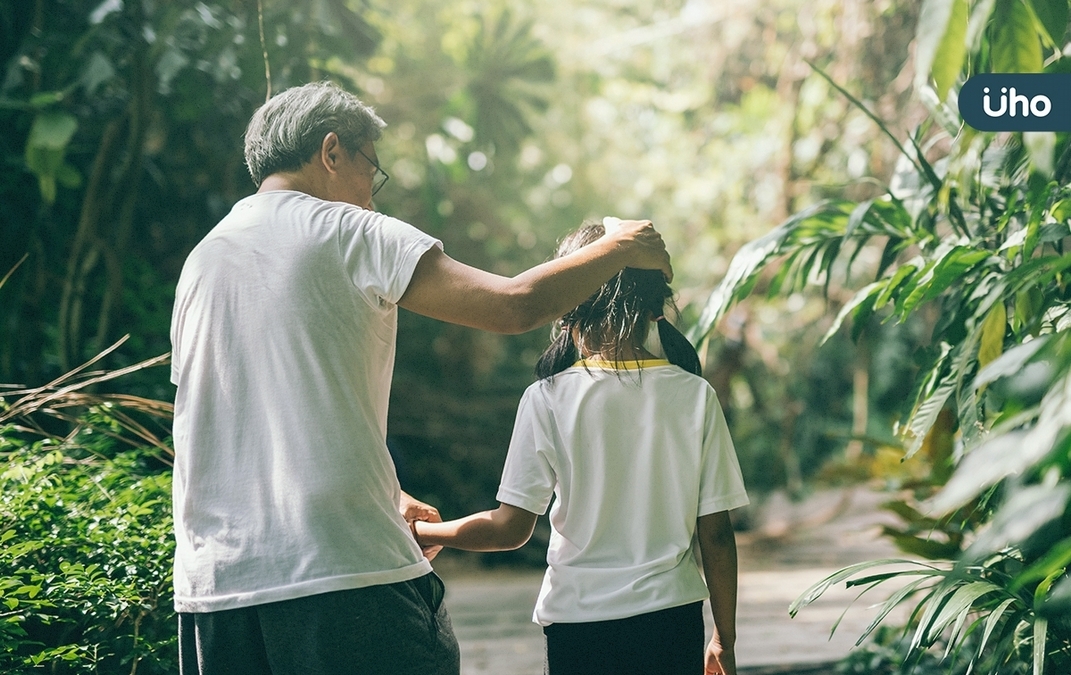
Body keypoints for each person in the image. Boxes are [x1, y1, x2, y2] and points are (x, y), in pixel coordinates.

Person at [168, 80, 672, 675]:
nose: (372, 199)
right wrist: (618, 247)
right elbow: (513, 306)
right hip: (345, 574)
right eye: (370, 172)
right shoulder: (350, 231)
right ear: (332, 153)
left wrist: (381, 490)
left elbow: (253, 412)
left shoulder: (201, 261)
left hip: (215, 590)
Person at [414, 221, 748, 675]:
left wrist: (423, 535)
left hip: (578, 625)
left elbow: (510, 529)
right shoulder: (694, 396)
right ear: (655, 309)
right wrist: (722, 640)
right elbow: (716, 535)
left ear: (567, 304)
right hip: (671, 620)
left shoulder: (546, 398)